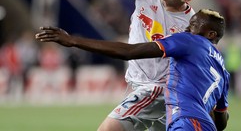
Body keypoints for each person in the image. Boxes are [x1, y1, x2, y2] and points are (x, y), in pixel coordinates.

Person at [32, 0, 208, 131]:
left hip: (159, 89)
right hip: (140, 85)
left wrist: (73, 40)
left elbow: (130, 52)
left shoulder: (190, 27)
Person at [35, 9, 230, 131]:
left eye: (194, 25)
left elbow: (130, 51)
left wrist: (73, 41)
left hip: (187, 122)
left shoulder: (190, 41)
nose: (188, 28)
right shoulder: (223, 71)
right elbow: (221, 121)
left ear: (210, 34)